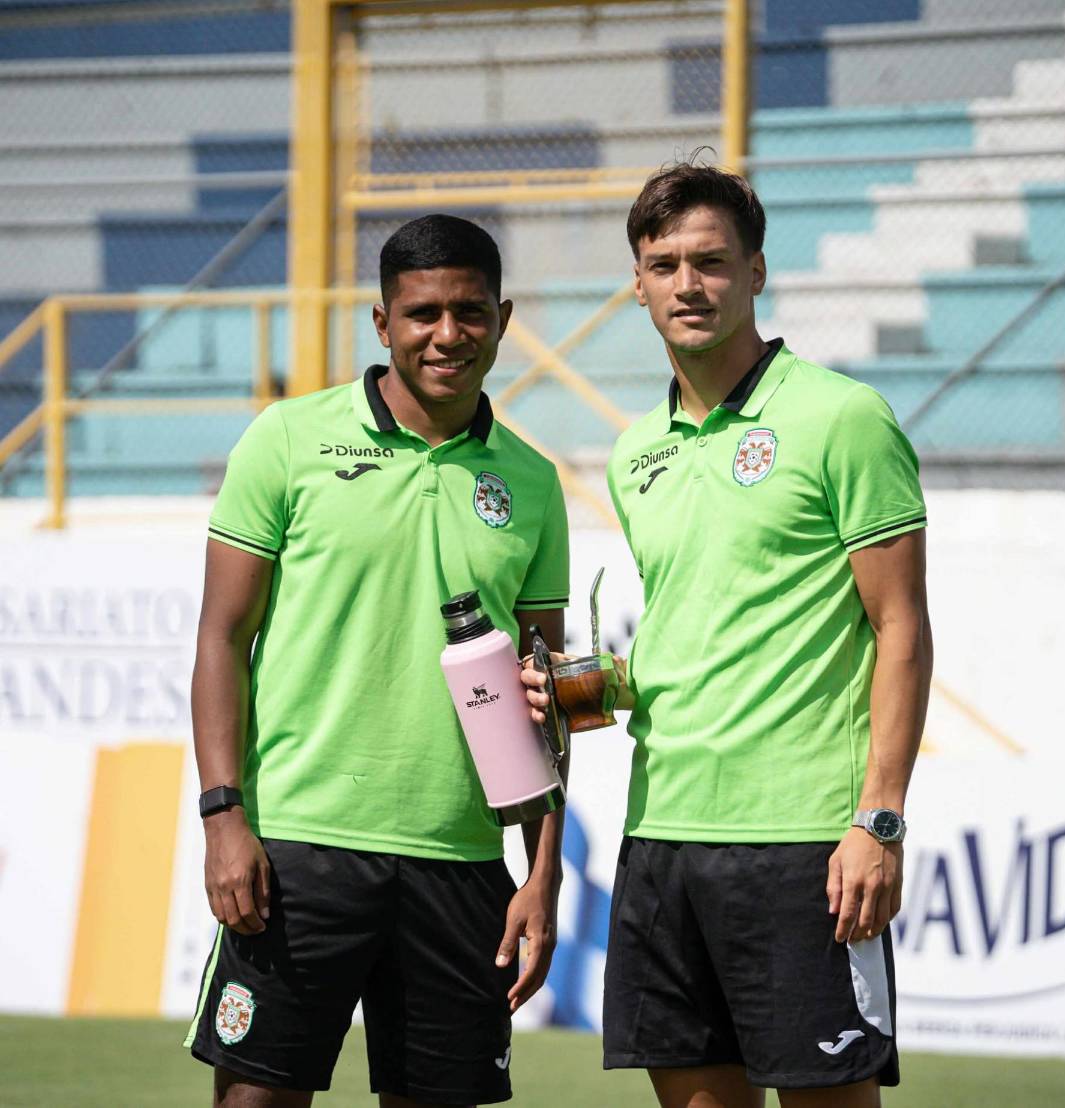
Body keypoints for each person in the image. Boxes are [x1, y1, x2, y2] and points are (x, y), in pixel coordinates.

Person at [524, 161, 933, 1108]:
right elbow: (697, 620)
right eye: (663, 264)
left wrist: (879, 820)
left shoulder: (843, 418)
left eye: (710, 261)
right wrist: (607, 682)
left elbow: (901, 628)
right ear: (637, 285)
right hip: (660, 836)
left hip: (804, 843)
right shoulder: (635, 452)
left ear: (755, 271)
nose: (688, 284)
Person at [185, 214, 570, 1108]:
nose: (448, 335)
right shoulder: (289, 439)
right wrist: (223, 819)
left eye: (470, 312)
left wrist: (542, 872)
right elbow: (220, 638)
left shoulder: (533, 480)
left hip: (461, 857)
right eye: (423, 313)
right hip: (300, 849)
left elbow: (543, 697)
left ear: (504, 320)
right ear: (383, 322)